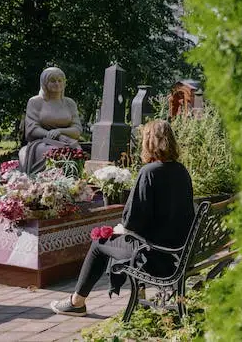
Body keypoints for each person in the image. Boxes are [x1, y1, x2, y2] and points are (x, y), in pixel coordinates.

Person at [50, 119, 194, 316]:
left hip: (154, 255)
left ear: (149, 142)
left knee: (99, 243)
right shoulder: (181, 171)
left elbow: (133, 222)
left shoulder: (149, 172)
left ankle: (76, 302)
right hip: (177, 252)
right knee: (116, 239)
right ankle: (138, 299)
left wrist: (120, 229)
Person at [18, 67, 82, 174]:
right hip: (41, 141)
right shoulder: (35, 102)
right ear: (44, 83)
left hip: (66, 140)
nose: (57, 84)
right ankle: (46, 182)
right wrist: (51, 135)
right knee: (53, 152)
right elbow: (32, 128)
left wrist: (60, 132)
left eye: (60, 80)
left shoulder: (70, 103)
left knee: (76, 151)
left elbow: (77, 129)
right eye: (52, 81)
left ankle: (72, 184)